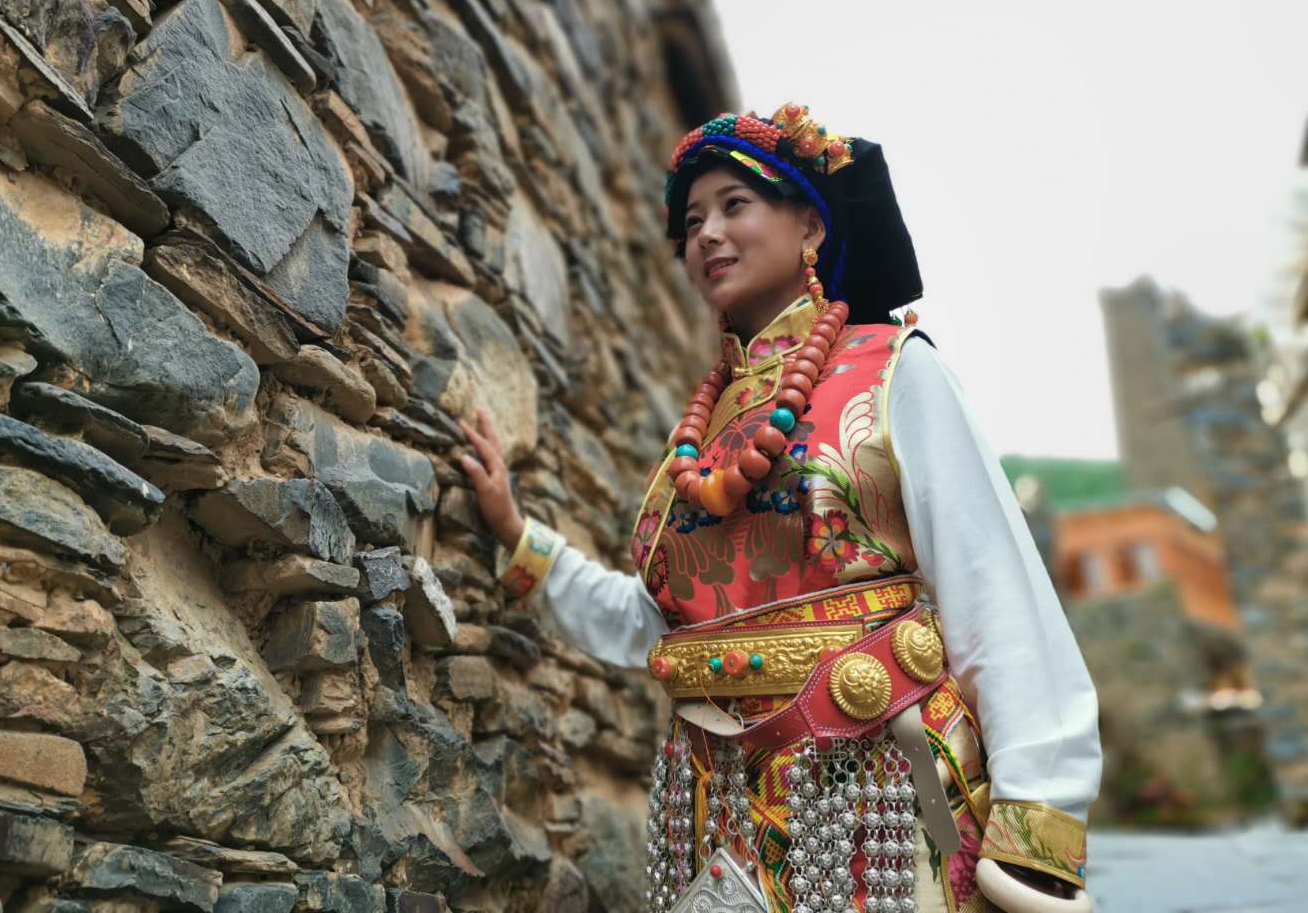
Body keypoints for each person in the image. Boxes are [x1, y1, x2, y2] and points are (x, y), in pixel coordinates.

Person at [457, 102, 1100, 913]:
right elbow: (661, 624)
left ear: (810, 226)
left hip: (886, 795)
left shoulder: (895, 371)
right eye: (692, 222)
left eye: (735, 205)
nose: (707, 235)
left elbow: (994, 592)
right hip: (722, 811)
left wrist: (1040, 820)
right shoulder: (700, 433)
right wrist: (521, 538)